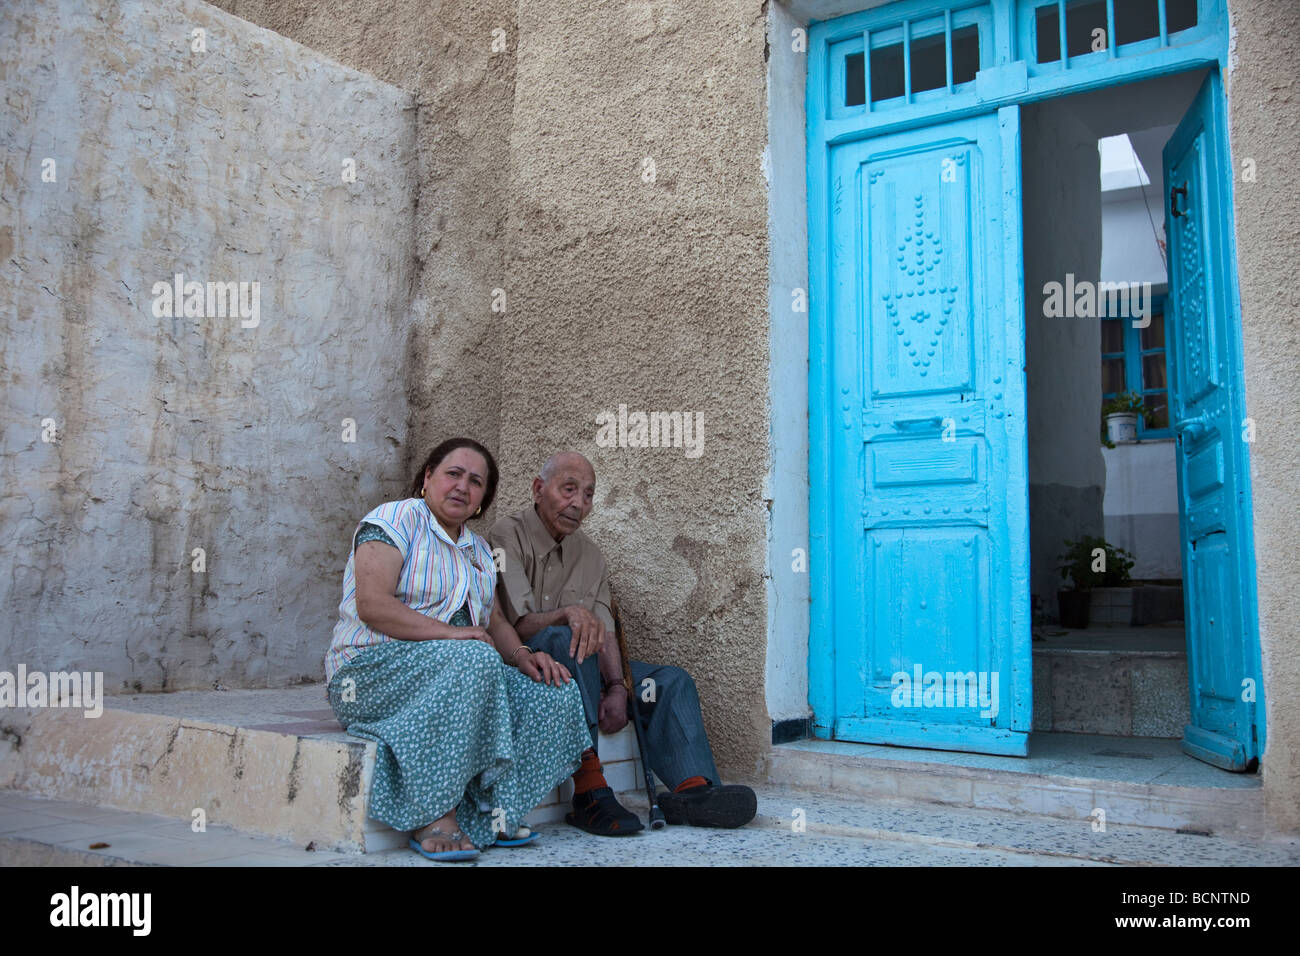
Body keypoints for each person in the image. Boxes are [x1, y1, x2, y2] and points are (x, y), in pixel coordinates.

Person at [325, 438, 591, 861]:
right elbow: (373, 605)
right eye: (453, 474)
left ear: (483, 498)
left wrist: (524, 656)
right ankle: (436, 814)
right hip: (369, 673)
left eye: (476, 482)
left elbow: (496, 622)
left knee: (552, 692)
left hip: (457, 667)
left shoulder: (480, 552)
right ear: (428, 477)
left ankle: (494, 813)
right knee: (473, 657)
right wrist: (451, 635)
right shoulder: (394, 519)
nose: (462, 487)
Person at [489, 451, 757, 835]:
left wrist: (617, 686)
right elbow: (519, 624)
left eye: (588, 495)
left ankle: (691, 792)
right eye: (569, 490)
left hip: (584, 666)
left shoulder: (591, 555)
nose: (579, 503)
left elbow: (605, 629)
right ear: (538, 489)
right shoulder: (505, 536)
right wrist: (568, 614)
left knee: (669, 682)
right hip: (532, 666)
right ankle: (588, 790)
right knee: (565, 635)